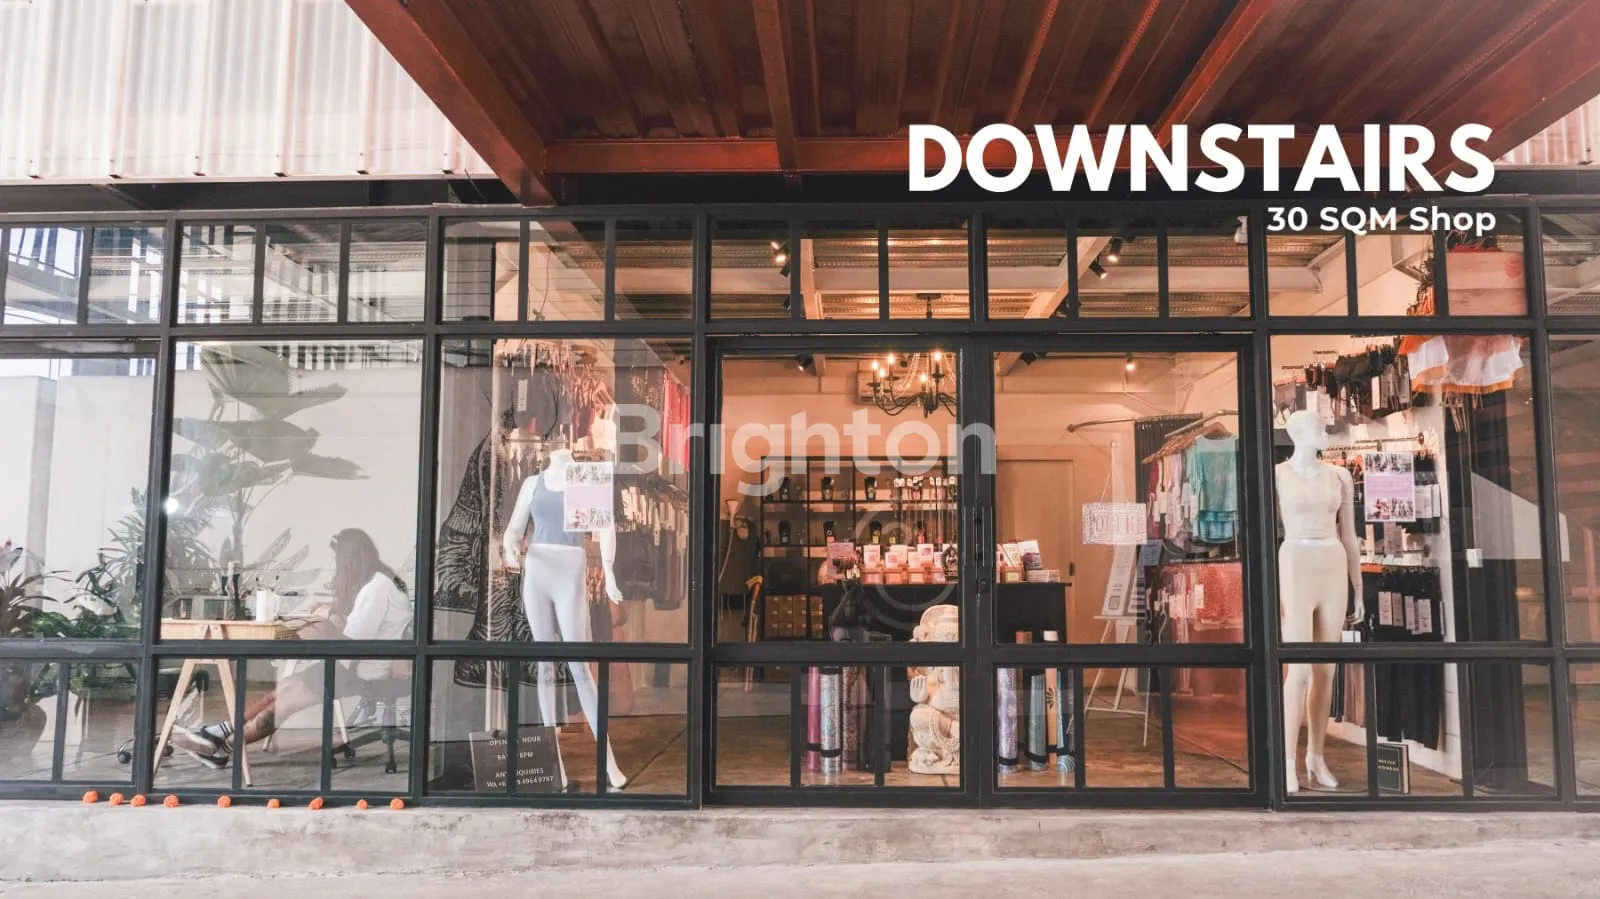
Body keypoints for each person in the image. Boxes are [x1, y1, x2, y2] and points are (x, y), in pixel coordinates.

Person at [174, 529, 411, 769]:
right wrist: (331, 612)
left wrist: (329, 620)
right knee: (284, 687)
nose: (338, 566)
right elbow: (361, 624)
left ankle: (224, 748)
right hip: (356, 662)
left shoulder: (376, 589)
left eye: (339, 560)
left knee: (285, 703)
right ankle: (219, 731)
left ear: (351, 559)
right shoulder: (378, 582)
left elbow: (351, 640)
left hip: (362, 668)